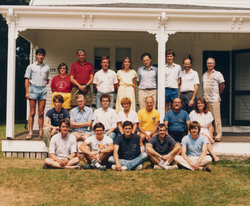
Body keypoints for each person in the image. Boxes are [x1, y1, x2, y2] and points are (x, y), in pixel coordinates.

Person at [24, 48, 51, 140]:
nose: (41, 56)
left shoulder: (46, 67)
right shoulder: (31, 66)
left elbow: (47, 80)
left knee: (41, 112)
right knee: (32, 112)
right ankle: (30, 132)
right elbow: (27, 80)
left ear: (44, 56)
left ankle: (40, 132)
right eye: (39, 55)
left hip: (42, 90)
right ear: (36, 55)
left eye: (42, 55)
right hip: (33, 90)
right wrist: (27, 91)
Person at [189, 97, 220, 162]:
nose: (200, 105)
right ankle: (214, 156)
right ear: (196, 105)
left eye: (202, 103)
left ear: (205, 104)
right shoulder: (193, 113)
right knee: (205, 137)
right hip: (195, 130)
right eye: (198, 103)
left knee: (206, 138)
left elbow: (210, 127)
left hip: (205, 130)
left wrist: (211, 138)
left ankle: (211, 155)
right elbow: (191, 126)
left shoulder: (208, 113)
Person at [203, 57, 225, 142]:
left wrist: (218, 94)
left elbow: (222, 85)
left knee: (216, 118)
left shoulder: (218, 74)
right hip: (206, 99)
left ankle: (218, 134)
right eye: (208, 63)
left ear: (214, 64)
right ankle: (209, 135)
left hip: (214, 99)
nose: (209, 64)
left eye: (211, 63)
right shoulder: (204, 74)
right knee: (208, 118)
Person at [164, 49, 181, 114]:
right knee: (165, 108)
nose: (169, 58)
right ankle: (165, 122)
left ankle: (172, 123)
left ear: (173, 57)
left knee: (173, 107)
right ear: (166, 57)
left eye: (170, 56)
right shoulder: (163, 67)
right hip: (165, 89)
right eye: (168, 56)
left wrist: (177, 86)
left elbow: (179, 79)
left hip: (174, 89)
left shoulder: (178, 67)